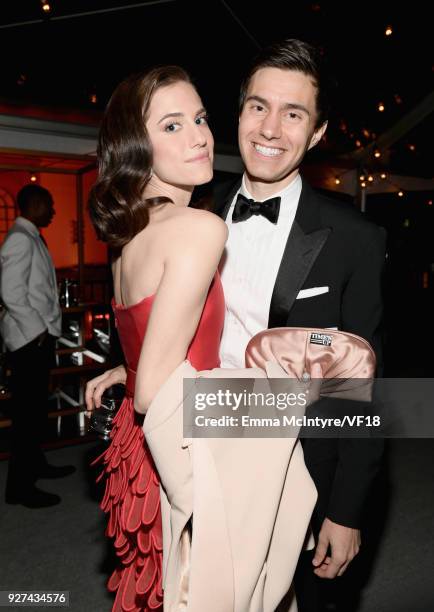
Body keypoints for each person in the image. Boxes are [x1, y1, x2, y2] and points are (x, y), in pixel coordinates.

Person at [213, 39, 386, 611]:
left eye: (294, 114)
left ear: (316, 133)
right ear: (238, 113)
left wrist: (346, 509)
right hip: (207, 448)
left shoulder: (355, 239)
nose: (270, 128)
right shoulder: (196, 216)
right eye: (258, 106)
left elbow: (361, 386)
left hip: (304, 466)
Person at [86, 66, 227, 611]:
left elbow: (149, 347)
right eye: (172, 126)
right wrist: (284, 400)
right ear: (134, 149)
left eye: (199, 118)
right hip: (189, 448)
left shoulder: (128, 237)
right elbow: (156, 396)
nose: (199, 135)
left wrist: (130, 366)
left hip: (138, 445)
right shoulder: (200, 229)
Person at [0, 184, 75, 508]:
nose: (54, 210)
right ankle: (19, 487)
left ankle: (36, 465)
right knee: (26, 415)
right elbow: (10, 292)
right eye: (50, 204)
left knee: (34, 411)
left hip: (35, 337)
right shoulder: (19, 238)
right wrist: (38, 331)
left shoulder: (29, 235)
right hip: (28, 339)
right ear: (35, 204)